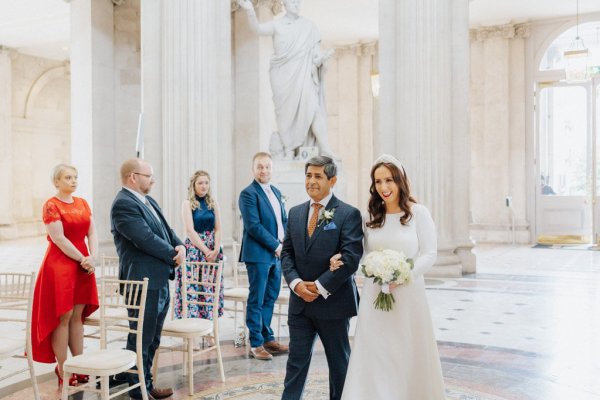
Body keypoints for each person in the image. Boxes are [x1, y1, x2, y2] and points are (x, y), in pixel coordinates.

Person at [331, 154, 445, 400]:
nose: (383, 187)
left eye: (389, 180)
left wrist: (405, 274)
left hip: (408, 294)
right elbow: (361, 255)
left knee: (406, 348)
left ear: (400, 181)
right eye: (378, 181)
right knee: (377, 350)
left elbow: (429, 253)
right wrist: (343, 259)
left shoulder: (418, 214)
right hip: (375, 296)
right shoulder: (369, 217)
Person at [280, 156, 363, 400]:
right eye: (308, 175)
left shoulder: (348, 214)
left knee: (339, 364)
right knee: (295, 363)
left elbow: (350, 258)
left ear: (332, 180)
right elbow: (287, 254)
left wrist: (317, 287)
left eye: (318, 176)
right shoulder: (294, 213)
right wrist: (296, 284)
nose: (312, 181)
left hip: (334, 304)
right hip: (300, 305)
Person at [110, 158, 186, 400]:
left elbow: (166, 230)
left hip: (159, 278)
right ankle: (137, 389)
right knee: (141, 336)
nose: (153, 179)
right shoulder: (122, 205)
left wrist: (180, 245)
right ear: (133, 177)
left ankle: (147, 382)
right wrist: (173, 255)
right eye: (148, 175)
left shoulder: (148, 201)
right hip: (141, 281)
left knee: (153, 337)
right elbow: (144, 239)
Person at [238, 0, 335, 158]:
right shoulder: (277, 25)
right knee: (285, 115)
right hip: (282, 77)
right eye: (293, 1)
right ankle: (289, 148)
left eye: (298, 2)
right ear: (284, 4)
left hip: (304, 75)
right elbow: (257, 29)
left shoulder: (309, 27)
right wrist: (249, 10)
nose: (297, 4)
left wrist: (321, 59)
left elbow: (316, 56)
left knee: (313, 107)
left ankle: (324, 147)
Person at [31, 164, 99, 388]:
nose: (73, 181)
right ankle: (63, 367)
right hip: (60, 265)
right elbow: (59, 239)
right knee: (64, 316)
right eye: (68, 177)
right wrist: (83, 259)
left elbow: (92, 232)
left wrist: (94, 257)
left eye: (75, 177)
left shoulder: (83, 203)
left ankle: (79, 365)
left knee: (78, 317)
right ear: (57, 182)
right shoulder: (51, 205)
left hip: (83, 264)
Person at [239, 152, 289, 360]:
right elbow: (253, 226)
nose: (264, 170)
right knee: (257, 298)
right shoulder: (248, 194)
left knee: (270, 297)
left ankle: (268, 337)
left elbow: (283, 221)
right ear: (253, 169)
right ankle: (256, 343)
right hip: (259, 253)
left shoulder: (276, 192)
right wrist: (276, 245)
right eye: (260, 167)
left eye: (267, 167)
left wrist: (284, 243)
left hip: (276, 254)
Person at [176, 170, 224, 320]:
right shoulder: (187, 203)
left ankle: (209, 328)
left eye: (206, 183)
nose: (204, 186)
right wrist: (205, 251)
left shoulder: (213, 202)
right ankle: (193, 333)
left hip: (212, 249)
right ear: (194, 185)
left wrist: (215, 249)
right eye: (200, 183)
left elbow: (218, 228)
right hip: (194, 250)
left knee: (210, 288)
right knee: (194, 288)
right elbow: (190, 231)